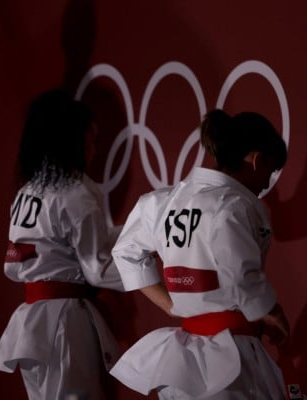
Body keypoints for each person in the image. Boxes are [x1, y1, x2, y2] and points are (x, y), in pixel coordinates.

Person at [109, 109, 290, 399]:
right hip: (231, 363)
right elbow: (239, 273)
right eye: (268, 174)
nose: (265, 186)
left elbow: (126, 253)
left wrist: (171, 305)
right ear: (257, 161)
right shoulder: (235, 205)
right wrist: (269, 311)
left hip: (182, 361)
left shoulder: (162, 202)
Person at [0, 89, 124, 400]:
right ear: (71, 141)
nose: (94, 149)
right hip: (65, 323)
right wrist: (147, 266)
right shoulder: (75, 194)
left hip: (31, 322)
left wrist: (130, 235)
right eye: (90, 140)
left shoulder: (28, 192)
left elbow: (17, 263)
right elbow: (98, 269)